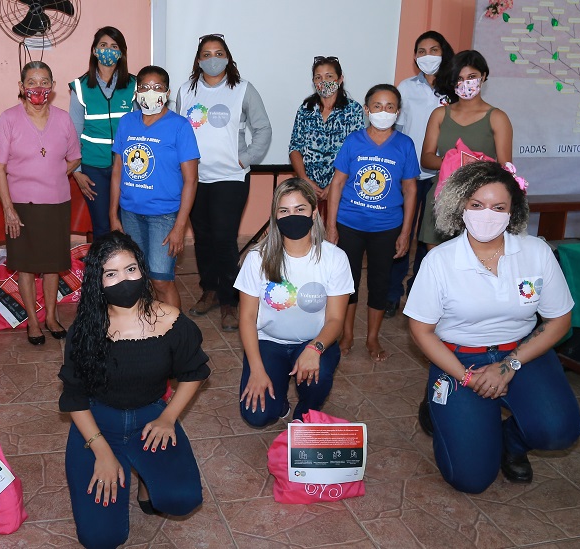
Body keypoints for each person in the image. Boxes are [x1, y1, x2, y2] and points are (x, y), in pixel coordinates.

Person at [404, 161, 580, 493]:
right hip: (458, 360)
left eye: (499, 207)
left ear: (513, 212)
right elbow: (421, 330)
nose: (487, 215)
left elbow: (559, 320)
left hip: (522, 353)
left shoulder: (536, 252)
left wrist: (509, 364)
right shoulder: (439, 261)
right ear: (462, 207)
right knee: (470, 479)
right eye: (477, 205)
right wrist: (466, 377)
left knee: (558, 431)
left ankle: (510, 443)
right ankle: (441, 409)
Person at [59, 231, 209, 549]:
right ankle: (123, 462)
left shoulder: (171, 322)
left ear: (142, 269)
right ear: (97, 282)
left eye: (130, 269)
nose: (124, 280)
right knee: (101, 539)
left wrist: (168, 418)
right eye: (110, 274)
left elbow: (195, 372)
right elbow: (74, 396)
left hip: (149, 418)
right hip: (98, 424)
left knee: (181, 500)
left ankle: (142, 476)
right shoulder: (84, 330)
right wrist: (101, 452)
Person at [174, 33, 272, 331]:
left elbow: (263, 128)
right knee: (202, 239)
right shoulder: (186, 90)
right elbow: (178, 132)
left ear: (228, 57)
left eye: (218, 52)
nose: (212, 58)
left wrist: (246, 158)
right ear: (198, 59)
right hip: (194, 180)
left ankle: (230, 300)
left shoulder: (242, 89)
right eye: (206, 54)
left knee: (224, 238)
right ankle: (210, 289)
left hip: (231, 178)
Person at [236, 179, 353, 426]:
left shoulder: (335, 258)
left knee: (318, 380)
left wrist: (315, 348)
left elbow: (335, 320)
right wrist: (257, 370)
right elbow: (246, 318)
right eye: (284, 210)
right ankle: (279, 402)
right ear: (275, 216)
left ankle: (306, 410)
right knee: (257, 416)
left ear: (313, 212)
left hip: (313, 342)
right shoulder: (257, 258)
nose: (292, 216)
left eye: (300, 209)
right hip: (269, 342)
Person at [325, 84, 419, 362]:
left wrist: (406, 233)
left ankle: (372, 337)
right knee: (347, 283)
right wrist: (331, 226)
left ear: (398, 112)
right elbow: (338, 183)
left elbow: (411, 190)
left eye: (390, 107)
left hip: (386, 227)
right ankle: (347, 334)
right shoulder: (353, 141)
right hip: (349, 224)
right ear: (367, 110)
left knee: (379, 283)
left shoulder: (405, 145)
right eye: (377, 106)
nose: (383, 111)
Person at [0, 61, 82, 345]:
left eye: (45, 82)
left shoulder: (63, 119)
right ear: (21, 87)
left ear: (53, 87)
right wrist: (8, 208)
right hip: (21, 206)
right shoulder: (8, 118)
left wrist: (56, 174)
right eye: (31, 82)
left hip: (57, 204)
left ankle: (52, 317)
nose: (38, 88)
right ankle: (33, 320)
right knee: (28, 265)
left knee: (53, 264)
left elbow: (75, 157)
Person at [109, 65, 199, 308]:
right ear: (137, 92)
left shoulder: (180, 126)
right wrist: (113, 215)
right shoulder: (127, 122)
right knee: (138, 277)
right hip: (130, 214)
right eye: (144, 87)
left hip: (165, 216)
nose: (150, 92)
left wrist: (180, 226)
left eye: (157, 87)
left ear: (167, 92)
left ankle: (176, 336)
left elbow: (191, 179)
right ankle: (147, 330)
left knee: (161, 280)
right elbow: (117, 170)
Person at [386, 30, 455, 318]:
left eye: (434, 49)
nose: (428, 56)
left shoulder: (455, 87)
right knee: (401, 234)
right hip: (409, 175)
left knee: (432, 237)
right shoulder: (405, 87)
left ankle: (418, 291)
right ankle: (391, 294)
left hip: (443, 175)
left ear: (445, 52)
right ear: (415, 57)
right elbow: (396, 131)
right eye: (421, 51)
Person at [419, 50, 512, 248]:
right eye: (459, 79)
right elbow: (426, 159)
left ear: (483, 76)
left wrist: (476, 166)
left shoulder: (497, 117)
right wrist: (455, 160)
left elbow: (505, 168)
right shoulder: (440, 114)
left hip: (481, 201)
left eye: (471, 77)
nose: (465, 84)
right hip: (442, 196)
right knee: (438, 264)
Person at [70, 26, 137, 238]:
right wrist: (77, 171)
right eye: (103, 45)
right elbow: (74, 133)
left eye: (114, 46)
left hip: (128, 165)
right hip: (93, 167)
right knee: (101, 226)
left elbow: (141, 128)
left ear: (122, 52)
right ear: (94, 51)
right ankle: (103, 271)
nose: (108, 50)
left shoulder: (134, 85)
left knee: (126, 224)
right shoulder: (80, 87)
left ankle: (127, 269)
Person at [288, 55, 364, 218]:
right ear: (314, 81)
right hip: (308, 187)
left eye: (329, 76)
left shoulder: (353, 110)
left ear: (340, 79)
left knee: (334, 237)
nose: (323, 81)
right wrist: (304, 179)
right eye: (318, 77)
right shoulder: (305, 109)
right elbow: (295, 148)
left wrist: (334, 185)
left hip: (342, 188)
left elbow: (356, 153)